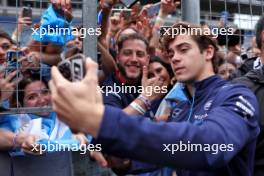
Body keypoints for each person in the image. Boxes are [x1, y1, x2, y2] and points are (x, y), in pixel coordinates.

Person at [49, 21, 260, 175]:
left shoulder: (236, 95)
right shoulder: (180, 107)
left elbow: (209, 147)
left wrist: (100, 120)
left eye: (183, 49)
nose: (175, 57)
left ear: (208, 52)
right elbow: (169, 155)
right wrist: (126, 163)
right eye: (171, 53)